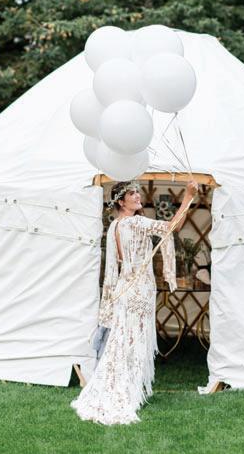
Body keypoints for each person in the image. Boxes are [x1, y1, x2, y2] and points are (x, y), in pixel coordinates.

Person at [70, 179, 199, 425]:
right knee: (134, 343)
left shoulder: (115, 226)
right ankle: (127, 392)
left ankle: (120, 386)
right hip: (139, 291)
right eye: (132, 193)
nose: (138, 196)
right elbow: (172, 226)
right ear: (121, 202)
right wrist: (188, 196)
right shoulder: (137, 223)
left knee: (121, 342)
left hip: (123, 289)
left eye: (138, 192)